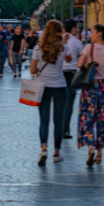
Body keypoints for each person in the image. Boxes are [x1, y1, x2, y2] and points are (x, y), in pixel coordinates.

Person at [31, 20, 72, 166]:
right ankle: (56, 152)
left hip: (43, 87)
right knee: (58, 121)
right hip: (60, 86)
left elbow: (32, 70)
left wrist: (41, 70)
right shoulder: (64, 47)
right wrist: (65, 42)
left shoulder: (38, 48)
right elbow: (70, 59)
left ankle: (43, 149)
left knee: (44, 120)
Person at [77, 23, 104, 167]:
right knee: (102, 119)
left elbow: (79, 64)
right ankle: (99, 153)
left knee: (87, 117)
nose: (90, 35)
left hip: (90, 87)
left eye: (92, 32)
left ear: (99, 34)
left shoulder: (89, 48)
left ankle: (90, 147)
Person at [62, 19, 83, 140]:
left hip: (58, 74)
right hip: (72, 74)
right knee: (69, 103)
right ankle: (65, 129)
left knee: (60, 103)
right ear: (73, 28)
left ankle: (59, 128)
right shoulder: (76, 42)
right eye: (77, 27)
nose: (78, 29)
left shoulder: (59, 40)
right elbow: (83, 58)